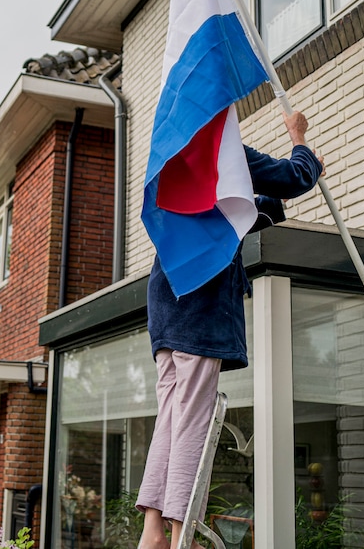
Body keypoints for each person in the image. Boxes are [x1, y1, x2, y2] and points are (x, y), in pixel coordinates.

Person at [136, 110, 323, 549]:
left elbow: (247, 213)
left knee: (170, 416)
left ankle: (153, 533)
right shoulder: (226, 153)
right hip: (200, 304)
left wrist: (295, 175)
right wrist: (300, 140)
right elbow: (293, 177)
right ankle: (182, 534)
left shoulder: (173, 158)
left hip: (166, 299)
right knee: (192, 421)